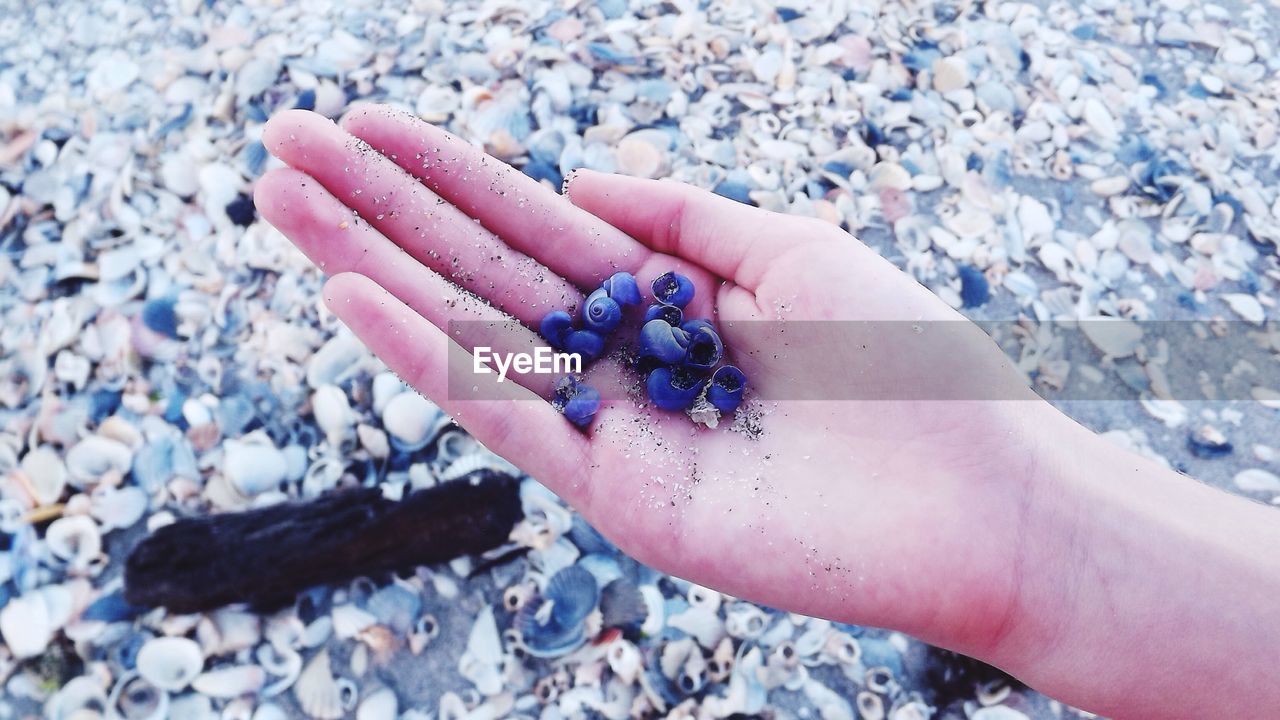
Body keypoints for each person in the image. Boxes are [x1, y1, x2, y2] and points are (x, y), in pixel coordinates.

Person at [255, 104, 1279, 719]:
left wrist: (1028, 519)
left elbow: (672, 351)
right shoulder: (647, 339)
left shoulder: (676, 349)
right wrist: (1041, 524)